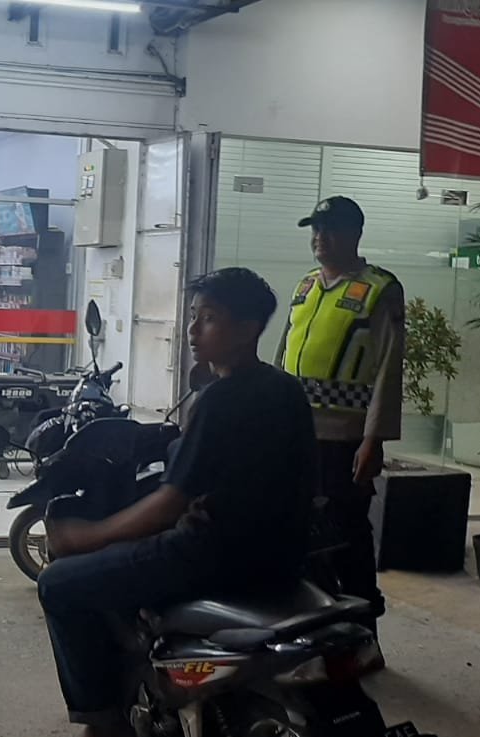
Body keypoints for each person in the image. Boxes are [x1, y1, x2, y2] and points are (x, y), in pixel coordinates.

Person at [37, 268, 317, 737]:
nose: (193, 330)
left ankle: (102, 720)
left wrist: (85, 535)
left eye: (209, 318)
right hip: (282, 559)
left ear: (248, 329)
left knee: (58, 584)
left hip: (208, 556)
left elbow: (169, 503)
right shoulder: (285, 389)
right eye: (193, 316)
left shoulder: (221, 400)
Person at [276, 196, 404, 639]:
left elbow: (389, 367)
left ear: (355, 234)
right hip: (295, 435)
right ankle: (313, 632)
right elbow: (283, 356)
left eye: (330, 230)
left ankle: (362, 635)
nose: (320, 238)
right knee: (298, 533)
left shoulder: (379, 289)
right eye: (315, 230)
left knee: (346, 535)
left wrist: (374, 439)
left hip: (344, 440)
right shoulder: (305, 286)